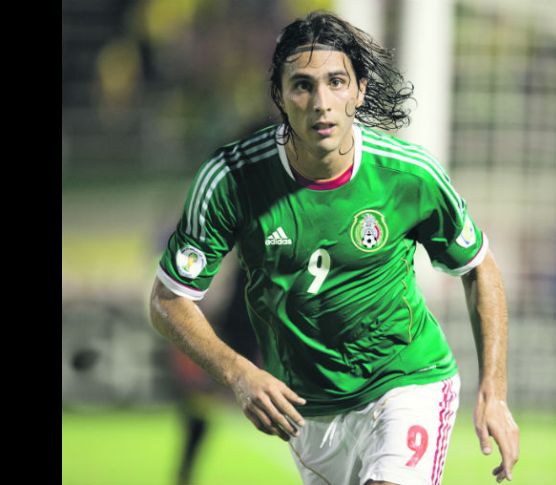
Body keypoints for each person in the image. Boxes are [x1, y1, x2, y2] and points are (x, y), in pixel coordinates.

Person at [149, 10, 519, 485]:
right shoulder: (231, 179)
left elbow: (479, 264)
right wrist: (239, 373)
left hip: (406, 381)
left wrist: (495, 390)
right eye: (302, 86)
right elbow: (167, 300)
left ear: (359, 90)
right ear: (280, 96)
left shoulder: (407, 174)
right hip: (309, 410)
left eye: (336, 82)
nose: (321, 103)